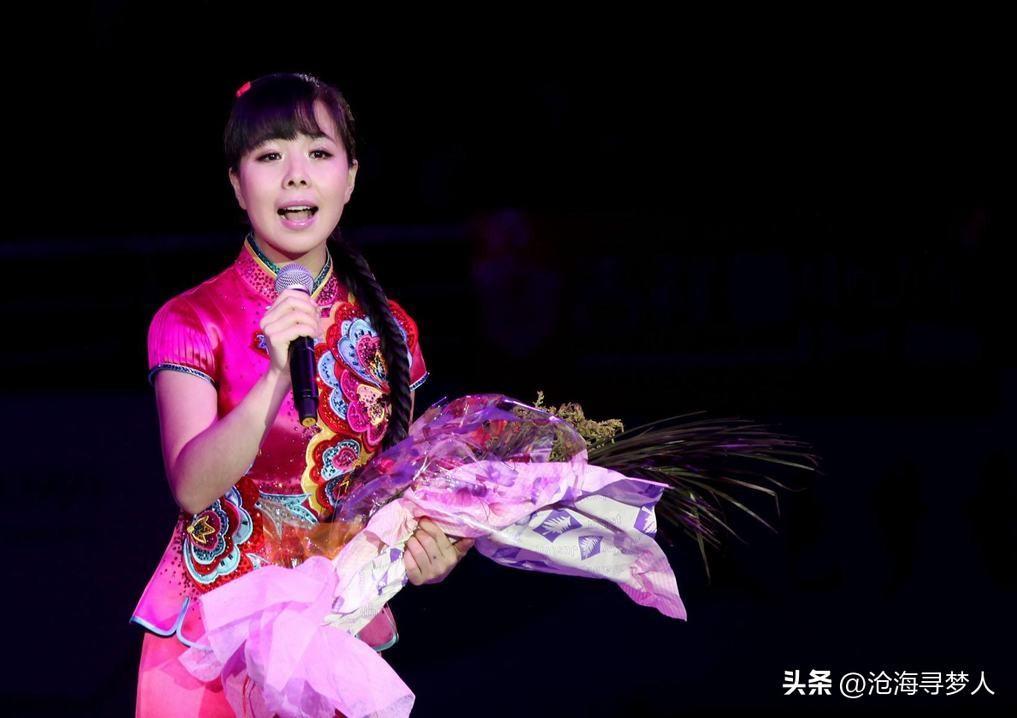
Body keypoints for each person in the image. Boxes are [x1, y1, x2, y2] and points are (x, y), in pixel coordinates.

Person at [131, 72, 474, 717]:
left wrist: (437, 549)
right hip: (210, 640)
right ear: (238, 185)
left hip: (333, 637)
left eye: (318, 153)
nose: (296, 176)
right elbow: (193, 487)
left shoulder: (392, 330)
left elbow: (396, 496)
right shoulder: (191, 320)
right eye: (269, 156)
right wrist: (275, 378)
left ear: (350, 177)